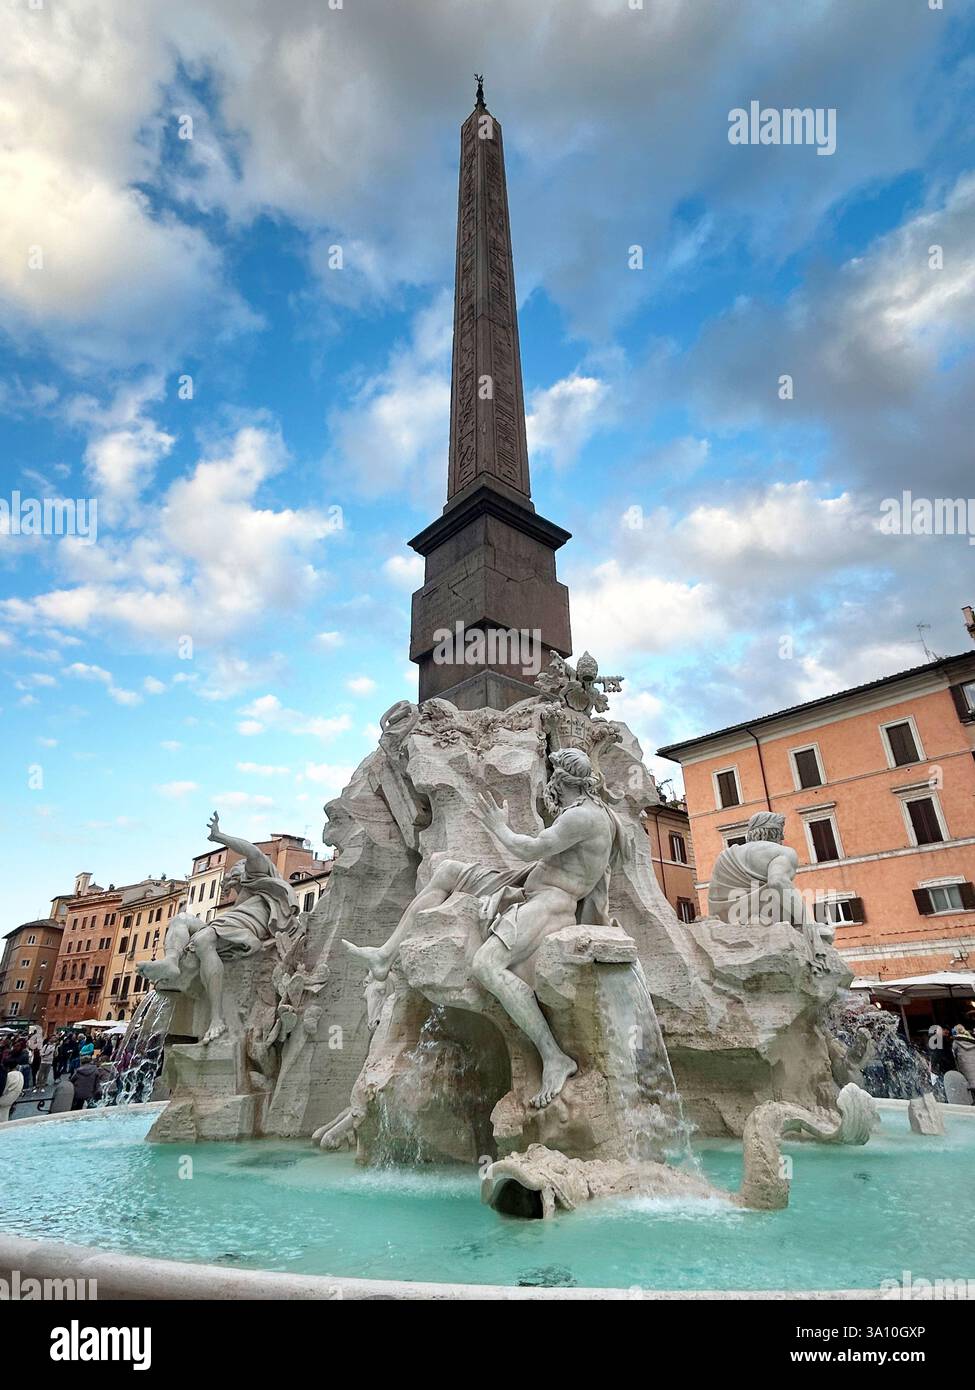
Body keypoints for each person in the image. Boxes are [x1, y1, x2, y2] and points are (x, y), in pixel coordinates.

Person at [344, 747, 629, 1109]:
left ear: (561, 779)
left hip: (550, 902)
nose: (549, 779)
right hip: (524, 885)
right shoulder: (585, 811)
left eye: (552, 772)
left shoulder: (583, 818)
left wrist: (498, 828)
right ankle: (385, 955)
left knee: (486, 964)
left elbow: (529, 849)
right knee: (446, 871)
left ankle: (554, 1056)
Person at [138, 812, 299, 1044]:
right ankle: (171, 962)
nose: (230, 877)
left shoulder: (258, 873)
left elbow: (252, 852)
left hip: (246, 928)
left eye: (234, 872)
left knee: (203, 938)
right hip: (226, 925)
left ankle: (217, 1019)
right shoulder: (240, 897)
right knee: (182, 918)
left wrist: (219, 836)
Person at [70, 1044, 102, 1110]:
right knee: (90, 1107)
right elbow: (97, 1082)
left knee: (77, 1107)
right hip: (90, 1093)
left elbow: (72, 1080)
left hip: (78, 1093)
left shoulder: (78, 1071)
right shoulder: (95, 1069)